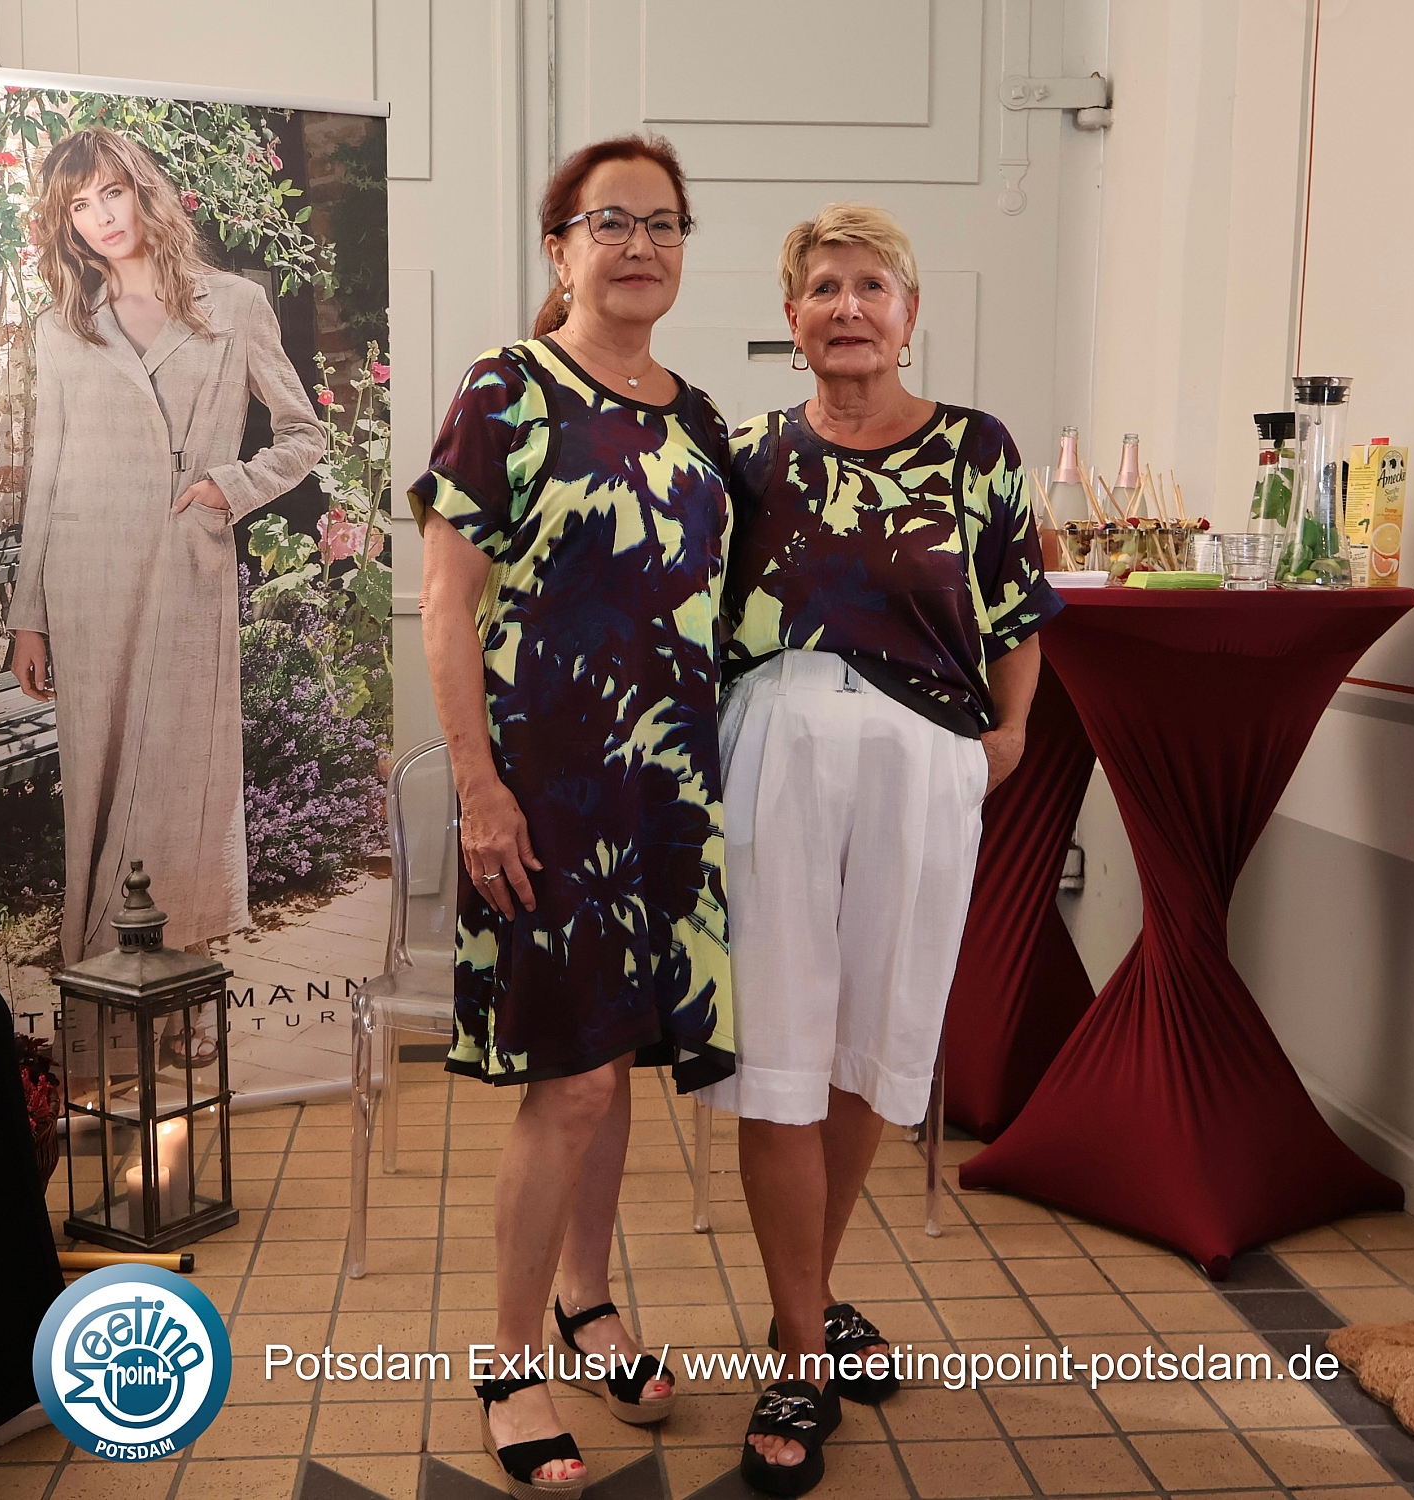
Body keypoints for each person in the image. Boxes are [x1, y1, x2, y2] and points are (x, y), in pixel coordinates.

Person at [698, 203, 1062, 1496]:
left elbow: (1017, 609)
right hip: (775, 751)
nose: (847, 307)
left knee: (870, 1043)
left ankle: (804, 1298)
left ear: (910, 315)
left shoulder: (978, 447)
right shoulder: (746, 456)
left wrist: (1005, 740)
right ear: (791, 319)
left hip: (925, 761)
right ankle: (803, 1350)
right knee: (779, 1052)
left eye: (872, 287)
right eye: (823, 288)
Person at [411, 135, 734, 1498]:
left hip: (668, 792)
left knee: (619, 1064)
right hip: (546, 788)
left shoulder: (699, 413)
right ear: (561, 247)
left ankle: (588, 1300)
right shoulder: (510, 389)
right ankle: (507, 1358)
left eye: (663, 223)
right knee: (574, 1078)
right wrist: (478, 787)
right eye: (612, 222)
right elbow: (445, 603)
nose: (640, 244)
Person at [8, 125, 323, 1069]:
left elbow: (303, 435)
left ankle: (181, 990)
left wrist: (230, 487)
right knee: (99, 786)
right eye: (79, 205)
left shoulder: (235, 304)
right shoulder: (64, 328)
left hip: (186, 568)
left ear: (144, 192)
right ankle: (102, 1002)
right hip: (88, 578)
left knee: (184, 782)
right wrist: (29, 616)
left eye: (112, 192)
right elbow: (46, 477)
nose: (101, 217)